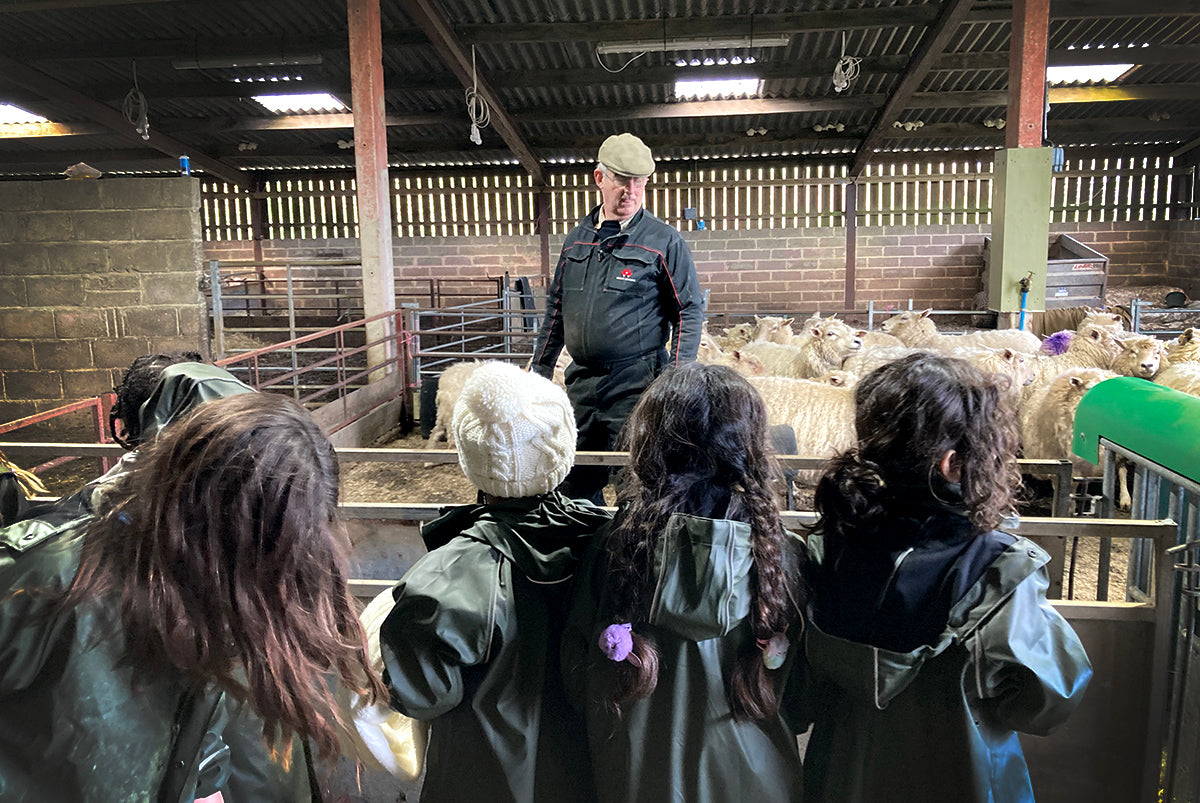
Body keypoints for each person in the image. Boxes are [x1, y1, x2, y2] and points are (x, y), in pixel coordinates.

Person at [0, 393, 386, 802]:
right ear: (217, 525)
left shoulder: (212, 598)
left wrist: (205, 785)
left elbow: (197, 733)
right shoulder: (45, 581)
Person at [801, 353, 1092, 802]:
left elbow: (809, 682)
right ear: (953, 463)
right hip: (961, 772)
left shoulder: (833, 546)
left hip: (845, 770)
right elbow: (1046, 701)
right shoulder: (999, 567)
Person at [563, 362, 807, 802]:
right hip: (757, 778)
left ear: (650, 444)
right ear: (749, 446)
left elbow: (578, 676)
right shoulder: (783, 554)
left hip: (637, 779)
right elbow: (806, 695)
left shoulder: (611, 546)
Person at [378, 361, 612, 802]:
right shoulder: (617, 549)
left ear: (468, 455)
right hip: (593, 778)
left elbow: (420, 695)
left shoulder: (445, 575)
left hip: (482, 782)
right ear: (564, 448)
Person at [530, 132, 704, 504]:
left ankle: (630, 558)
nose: (630, 191)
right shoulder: (576, 240)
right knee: (571, 483)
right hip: (580, 387)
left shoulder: (663, 241)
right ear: (599, 179)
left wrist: (674, 381)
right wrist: (538, 374)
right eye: (621, 181)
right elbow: (556, 308)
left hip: (634, 387)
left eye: (638, 182)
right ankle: (584, 553)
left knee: (636, 485)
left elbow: (688, 309)